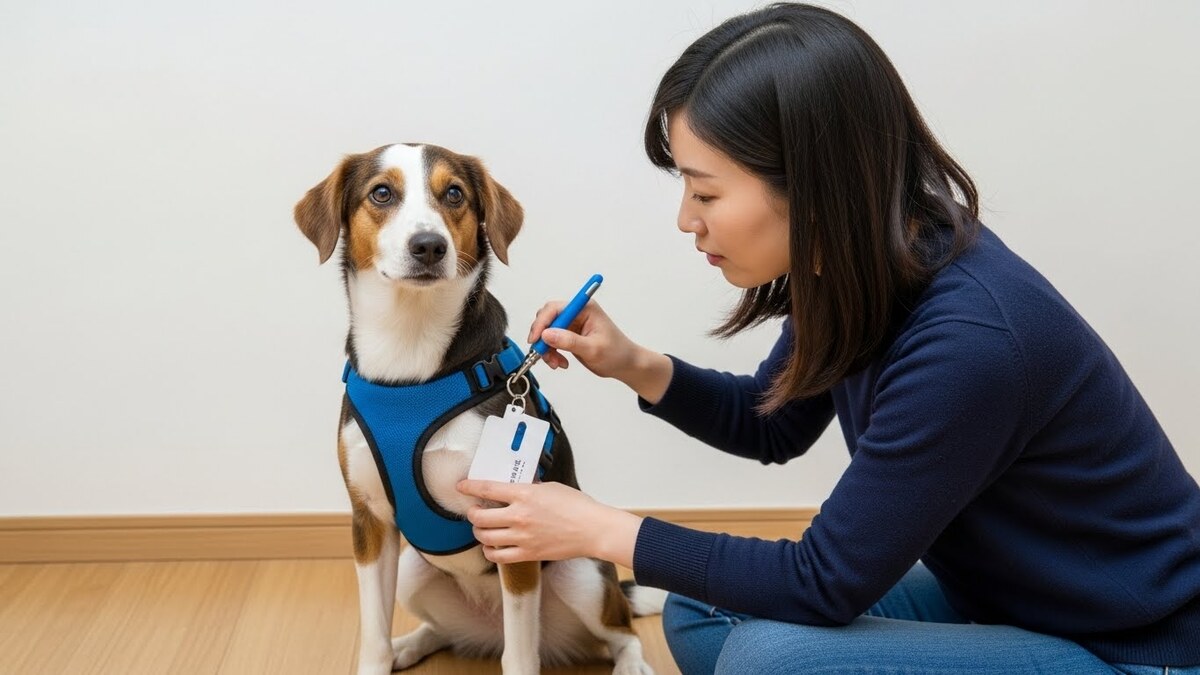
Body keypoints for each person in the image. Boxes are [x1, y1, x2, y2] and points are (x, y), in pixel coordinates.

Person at [456, 4, 1200, 673]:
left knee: (770, 657)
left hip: (1133, 646)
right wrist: (633, 364)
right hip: (1009, 600)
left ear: (810, 183)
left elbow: (822, 579)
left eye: (706, 191)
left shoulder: (970, 341)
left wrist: (598, 528)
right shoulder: (867, 266)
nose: (688, 218)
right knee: (700, 607)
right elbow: (767, 421)